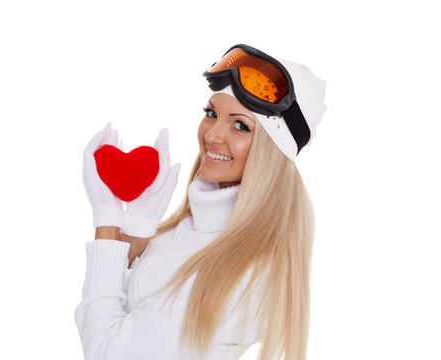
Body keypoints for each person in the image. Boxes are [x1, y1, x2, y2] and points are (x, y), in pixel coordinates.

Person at [75, 44, 327, 360]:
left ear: (272, 151)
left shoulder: (243, 273)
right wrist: (138, 235)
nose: (211, 136)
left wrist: (106, 219)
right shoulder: (185, 230)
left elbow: (106, 352)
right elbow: (132, 310)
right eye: (211, 114)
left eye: (240, 125)